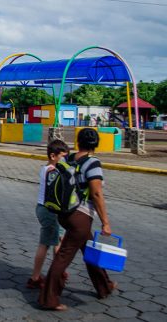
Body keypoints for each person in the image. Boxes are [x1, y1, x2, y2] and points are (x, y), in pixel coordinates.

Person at [39, 128, 117, 311]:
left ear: (78, 142)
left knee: (90, 249)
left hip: (65, 213)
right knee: (63, 257)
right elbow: (96, 193)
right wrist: (106, 222)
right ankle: (48, 299)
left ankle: (104, 286)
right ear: (95, 144)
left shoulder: (67, 159)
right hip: (80, 216)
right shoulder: (92, 163)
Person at [27, 139, 69, 290]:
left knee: (58, 240)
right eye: (62, 157)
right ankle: (35, 277)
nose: (64, 161)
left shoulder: (46, 169)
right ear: (53, 156)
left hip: (47, 209)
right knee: (45, 243)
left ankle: (60, 271)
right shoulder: (52, 171)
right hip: (49, 210)